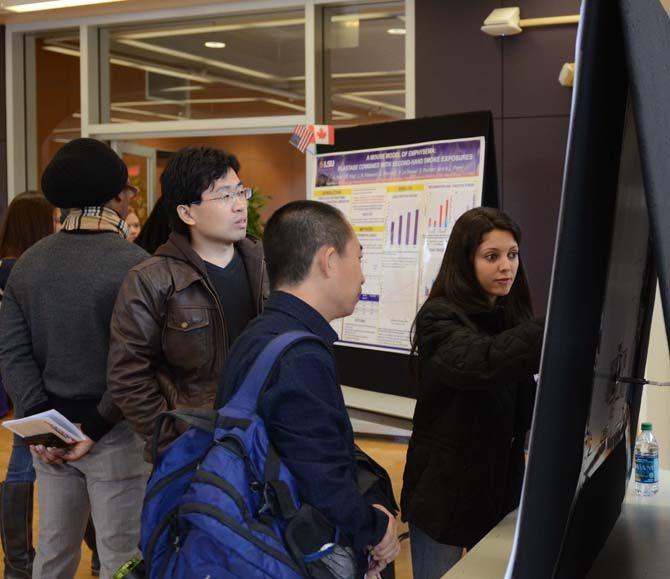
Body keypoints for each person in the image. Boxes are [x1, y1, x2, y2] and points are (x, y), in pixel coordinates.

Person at [218, 200, 401, 577]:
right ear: (329, 260)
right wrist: (375, 530)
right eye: (359, 258)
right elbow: (322, 480)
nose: (363, 276)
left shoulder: (260, 334)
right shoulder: (300, 356)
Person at [0, 138, 149, 579]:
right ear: (118, 196)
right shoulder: (137, 265)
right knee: (121, 560)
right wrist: (97, 424)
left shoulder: (29, 264)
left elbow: (13, 350)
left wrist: (42, 421)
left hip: (50, 437)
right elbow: (138, 360)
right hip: (116, 434)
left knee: (53, 555)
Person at [400, 207, 544, 579]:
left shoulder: (514, 317)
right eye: (491, 256)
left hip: (499, 493)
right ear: (465, 261)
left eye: (512, 255)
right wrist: (557, 322)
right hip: (442, 497)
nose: (505, 267)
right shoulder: (439, 317)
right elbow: (480, 363)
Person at [107, 146, 268, 460]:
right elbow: (128, 375)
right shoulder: (151, 279)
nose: (239, 206)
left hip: (265, 436)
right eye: (224, 196)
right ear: (186, 212)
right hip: (196, 444)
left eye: (240, 192)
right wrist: (171, 444)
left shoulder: (266, 265)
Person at [0, 191, 55, 578]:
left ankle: (17, 562)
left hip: (12, 373)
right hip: (32, 375)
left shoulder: (5, 267)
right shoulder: (29, 271)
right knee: (25, 464)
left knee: (22, 464)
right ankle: (19, 563)